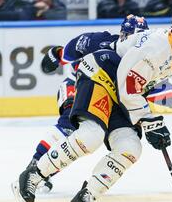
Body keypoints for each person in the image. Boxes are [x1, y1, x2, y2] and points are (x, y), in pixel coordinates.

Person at [12, 8, 172, 202]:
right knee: (90, 135)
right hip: (100, 75)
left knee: (130, 147)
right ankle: (35, 173)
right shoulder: (156, 47)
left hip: (120, 95)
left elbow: (147, 86)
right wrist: (150, 120)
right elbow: (128, 84)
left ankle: (86, 197)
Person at [25, 15, 149, 193]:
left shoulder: (143, 62)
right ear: (122, 34)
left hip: (106, 97)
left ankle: (44, 173)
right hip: (77, 84)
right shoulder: (102, 41)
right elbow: (77, 45)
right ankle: (34, 167)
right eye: (130, 36)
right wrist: (59, 55)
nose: (134, 43)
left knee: (86, 139)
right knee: (69, 126)